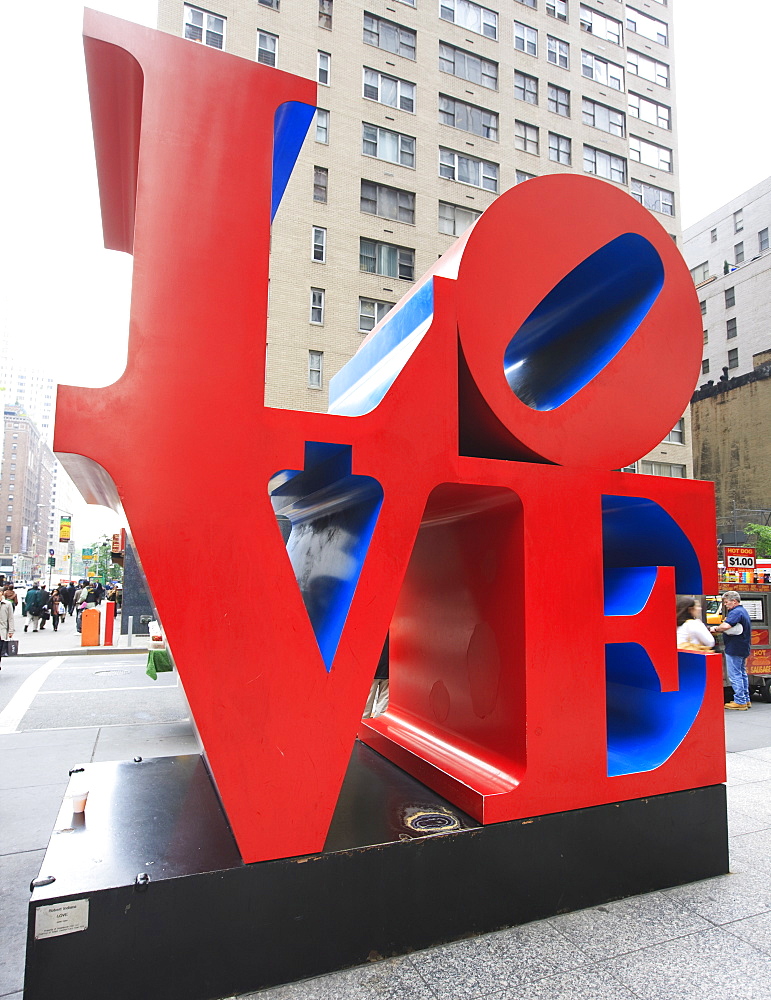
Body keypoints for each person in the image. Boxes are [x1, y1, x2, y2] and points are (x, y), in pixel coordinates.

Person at [711, 590, 752, 710]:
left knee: (735, 675)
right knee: (742, 674)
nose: (725, 604)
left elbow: (726, 626)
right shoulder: (743, 611)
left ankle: (740, 701)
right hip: (743, 647)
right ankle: (746, 699)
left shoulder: (736, 612)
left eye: (726, 602)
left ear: (734, 601)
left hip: (734, 647)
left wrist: (714, 629)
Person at [0, 588, 14, 669]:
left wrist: (11, 630)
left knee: (0, 649)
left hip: (2, 631)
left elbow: (10, 618)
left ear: (1, 593)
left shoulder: (7, 604)